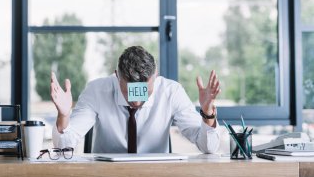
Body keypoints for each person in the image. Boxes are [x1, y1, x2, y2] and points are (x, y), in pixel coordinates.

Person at [51, 45, 221, 153]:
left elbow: (208, 147)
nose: (137, 101)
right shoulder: (97, 90)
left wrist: (207, 114)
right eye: (130, 90)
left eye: (144, 91)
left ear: (155, 75)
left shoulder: (171, 92)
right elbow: (62, 146)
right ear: (117, 76)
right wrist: (64, 116)